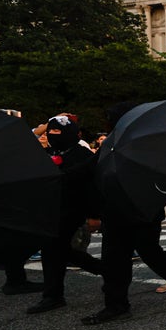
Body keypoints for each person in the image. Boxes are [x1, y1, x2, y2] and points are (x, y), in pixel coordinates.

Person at [82, 104, 166, 325]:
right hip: (117, 212)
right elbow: (95, 175)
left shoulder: (144, 147)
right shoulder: (110, 147)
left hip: (142, 210)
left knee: (148, 253)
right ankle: (116, 303)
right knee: (117, 257)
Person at [27, 114, 102, 314]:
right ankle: (102, 270)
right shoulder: (48, 152)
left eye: (59, 131)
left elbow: (92, 187)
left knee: (54, 249)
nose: (53, 135)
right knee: (55, 250)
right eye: (51, 131)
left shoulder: (83, 154)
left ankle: (53, 295)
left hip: (74, 210)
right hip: (53, 210)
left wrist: (93, 215)